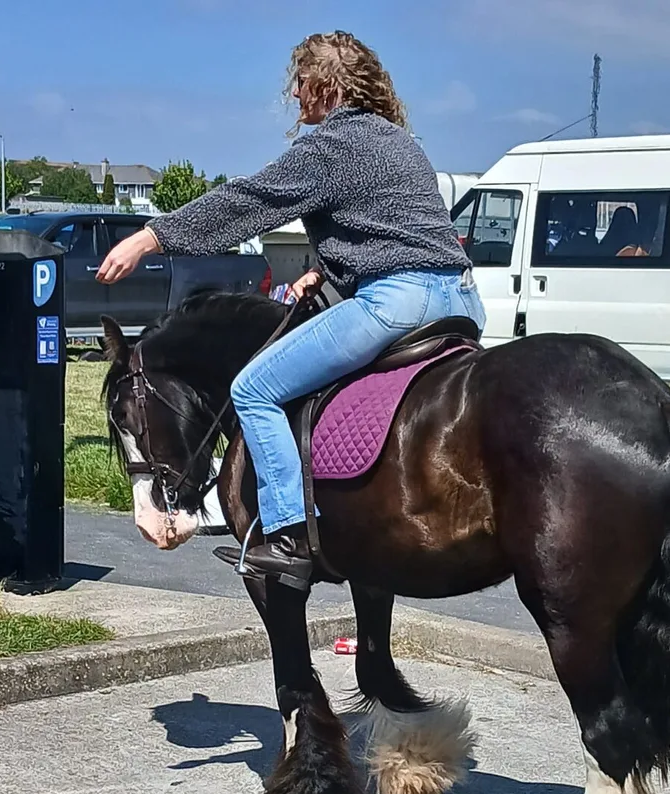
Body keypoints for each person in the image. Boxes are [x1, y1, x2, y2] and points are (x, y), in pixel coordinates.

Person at [97, 30, 486, 588]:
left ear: (326, 83)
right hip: (461, 299)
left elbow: (246, 202)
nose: (296, 95)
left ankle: (287, 535)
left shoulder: (331, 146)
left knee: (253, 389)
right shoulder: (401, 142)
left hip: (397, 302)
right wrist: (325, 271)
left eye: (301, 83)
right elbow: (392, 229)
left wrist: (151, 237)